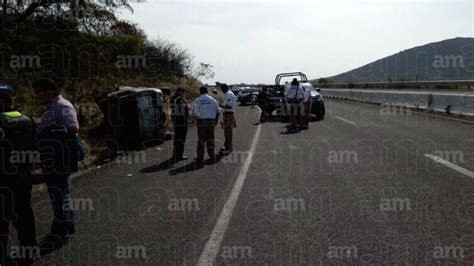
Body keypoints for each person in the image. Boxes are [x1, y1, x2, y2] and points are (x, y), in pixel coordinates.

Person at [33, 79, 79, 250]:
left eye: (39, 92)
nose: (37, 97)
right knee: (60, 195)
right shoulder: (53, 107)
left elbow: (72, 129)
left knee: (61, 197)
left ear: (49, 92)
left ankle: (61, 234)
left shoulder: (62, 106)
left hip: (59, 161)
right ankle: (66, 227)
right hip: (54, 160)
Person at [0, 84, 38, 264]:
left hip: (4, 179)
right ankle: (29, 250)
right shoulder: (27, 120)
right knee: (24, 214)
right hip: (23, 176)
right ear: (12, 100)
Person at [192, 86, 220, 162]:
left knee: (201, 139)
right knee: (210, 138)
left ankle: (200, 157)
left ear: (200, 92)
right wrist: (216, 121)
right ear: (207, 91)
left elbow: (194, 113)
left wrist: (196, 120)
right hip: (211, 121)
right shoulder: (212, 100)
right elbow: (218, 111)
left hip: (201, 122)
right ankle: (212, 155)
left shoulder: (197, 100)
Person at [170, 88, 189, 161]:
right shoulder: (178, 99)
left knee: (178, 137)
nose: (183, 94)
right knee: (180, 138)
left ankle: (177, 154)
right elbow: (184, 109)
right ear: (180, 92)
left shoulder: (175, 99)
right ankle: (178, 155)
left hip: (178, 120)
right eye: (182, 92)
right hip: (180, 120)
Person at [219, 84, 236, 155]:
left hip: (229, 115)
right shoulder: (227, 94)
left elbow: (229, 106)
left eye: (221, 89)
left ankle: (229, 148)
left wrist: (221, 106)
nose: (221, 91)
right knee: (226, 132)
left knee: (228, 132)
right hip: (227, 114)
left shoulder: (229, 94)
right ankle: (226, 146)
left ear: (224, 89)